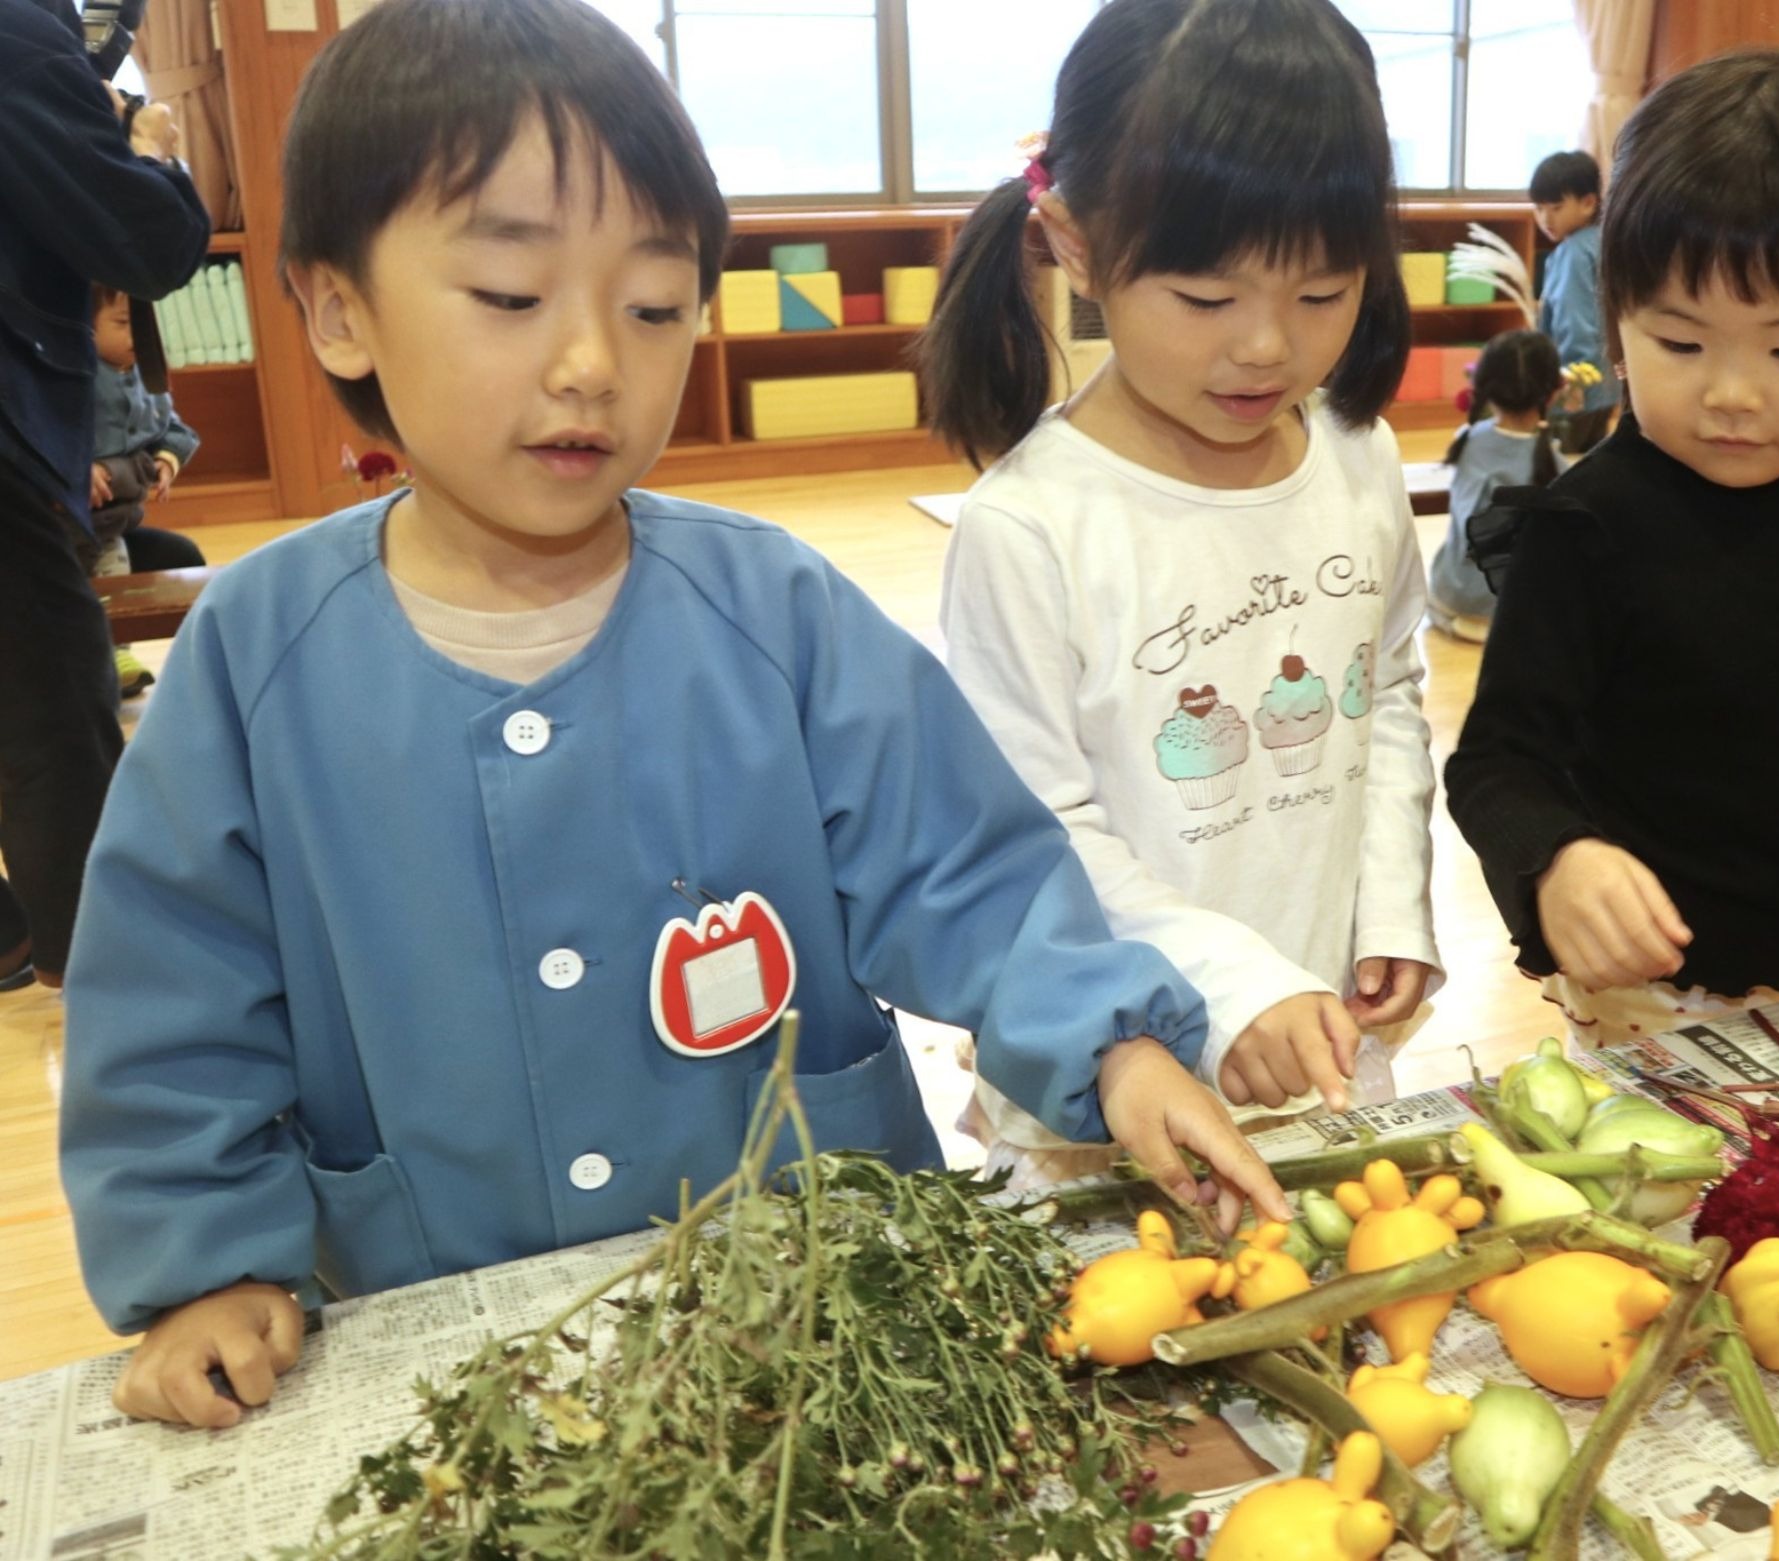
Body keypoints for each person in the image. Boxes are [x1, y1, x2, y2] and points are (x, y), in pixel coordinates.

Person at [60, 0, 1287, 1431]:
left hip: (823, 1320)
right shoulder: (255, 658)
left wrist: (1114, 1039)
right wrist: (204, 1263)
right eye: (513, 299)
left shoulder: (778, 613)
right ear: (339, 309)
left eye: (653, 306)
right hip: (456, 1340)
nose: (593, 361)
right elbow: (175, 1003)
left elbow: (969, 872)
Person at [925, 0, 1441, 1185]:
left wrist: (1389, 911)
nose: (1265, 347)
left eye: (1320, 293)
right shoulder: (1032, 527)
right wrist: (1234, 983)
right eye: (1205, 300)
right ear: (1074, 242)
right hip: (1108, 1089)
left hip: (1313, 1048)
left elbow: (1389, 690)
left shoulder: (1356, 458)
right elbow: (1035, 837)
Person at [1446, 50, 1779, 1047]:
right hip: (1637, 985)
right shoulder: (1589, 527)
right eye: (1678, 343)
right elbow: (1496, 762)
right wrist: (1559, 857)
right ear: (1618, 319)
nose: (1729, 394)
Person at [0, 0, 209, 989]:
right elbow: (148, 245)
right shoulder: (19, 37)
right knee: (53, 711)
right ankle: (112, 977)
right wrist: (154, 151)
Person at [88, 281, 206, 695]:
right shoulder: (77, 378)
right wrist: (78, 467)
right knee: (110, 558)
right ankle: (114, 652)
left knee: (184, 559)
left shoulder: (143, 376)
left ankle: (195, 667)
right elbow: (51, 434)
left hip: (117, 520)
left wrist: (167, 459)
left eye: (141, 323)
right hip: (76, 527)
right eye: (122, 323)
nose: (136, 336)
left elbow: (173, 428)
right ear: (86, 327)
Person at [1427, 327, 1564, 641]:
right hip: (1509, 615)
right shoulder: (1555, 466)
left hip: (1448, 598)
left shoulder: (1465, 439)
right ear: (1555, 390)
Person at [1530, 151, 1617, 455]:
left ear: (1588, 202)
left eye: (1556, 207)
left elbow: (1576, 325)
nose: (1545, 219)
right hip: (1606, 387)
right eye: (1538, 208)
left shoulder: (1573, 254)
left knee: (1560, 467)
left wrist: (1570, 386)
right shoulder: (1603, 240)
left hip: (1573, 388)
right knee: (1592, 464)